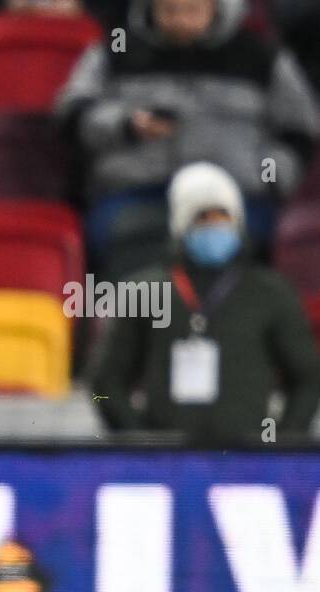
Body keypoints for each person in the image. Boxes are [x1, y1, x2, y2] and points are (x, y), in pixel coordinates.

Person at [55, 0, 319, 275]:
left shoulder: (260, 55)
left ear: (216, 8)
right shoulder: (117, 49)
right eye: (169, 11)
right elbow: (72, 114)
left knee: (238, 256)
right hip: (135, 192)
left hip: (234, 193)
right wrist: (126, 124)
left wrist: (267, 178)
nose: (180, 20)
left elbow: (299, 130)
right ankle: (134, 317)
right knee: (125, 246)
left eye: (191, 11)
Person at [91, 161, 320, 441]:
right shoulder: (143, 292)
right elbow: (103, 382)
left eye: (223, 217)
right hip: (165, 460)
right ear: (182, 223)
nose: (215, 227)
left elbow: (308, 377)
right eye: (203, 218)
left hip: (247, 461)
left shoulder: (270, 293)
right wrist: (137, 439)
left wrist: (282, 442)